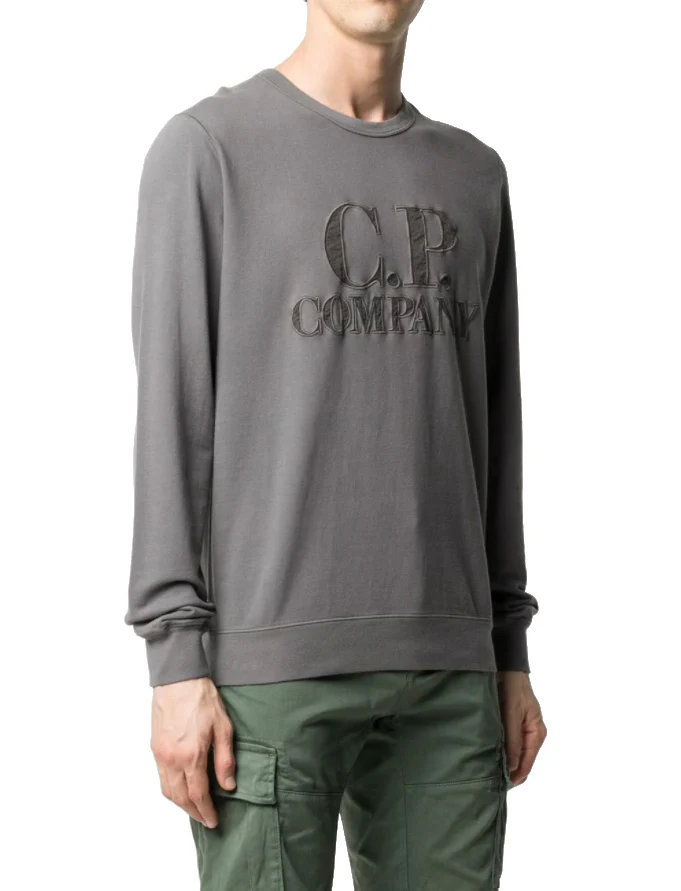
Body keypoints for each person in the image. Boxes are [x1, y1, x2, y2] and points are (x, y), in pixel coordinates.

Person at [125, 1, 547, 887]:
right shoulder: (207, 150)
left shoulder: (474, 174)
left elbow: (494, 425)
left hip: (450, 667)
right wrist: (173, 662)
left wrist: (507, 646)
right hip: (267, 675)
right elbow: (172, 418)